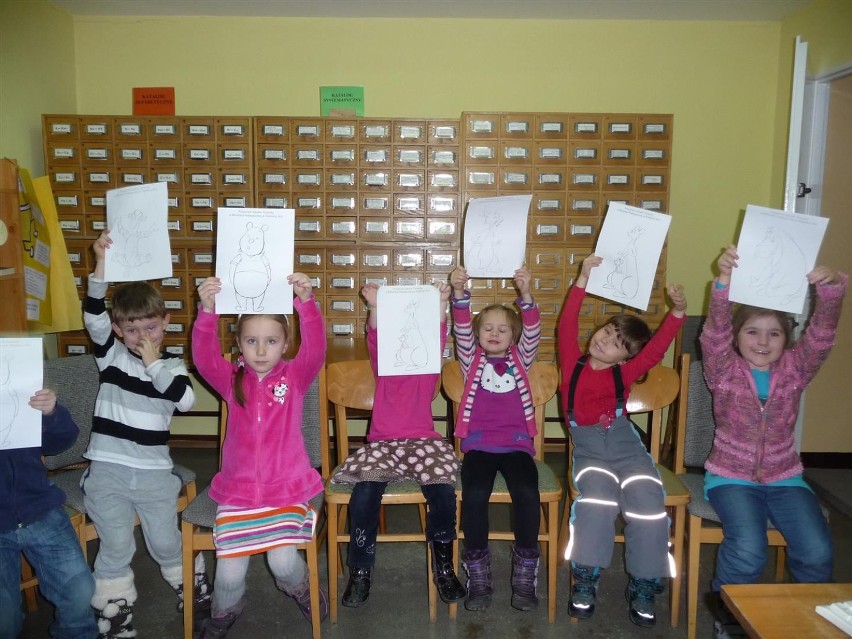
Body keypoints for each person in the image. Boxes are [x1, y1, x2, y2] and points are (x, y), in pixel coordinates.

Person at [701, 245, 847, 638]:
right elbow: (713, 333)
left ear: (787, 339)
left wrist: (830, 293)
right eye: (752, 331)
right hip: (730, 477)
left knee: (817, 550)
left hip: (786, 477)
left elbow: (821, 336)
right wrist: (723, 284)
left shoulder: (797, 369)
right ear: (736, 336)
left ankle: (808, 621)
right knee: (748, 549)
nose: (763, 342)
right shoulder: (723, 369)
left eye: (774, 333)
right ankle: (728, 622)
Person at [82, 231, 210, 638]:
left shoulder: (171, 367)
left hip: (154, 470)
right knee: (116, 544)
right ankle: (114, 614)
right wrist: (101, 264)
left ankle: (193, 587)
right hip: (108, 469)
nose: (142, 337)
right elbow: (91, 314)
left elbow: (185, 401)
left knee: (166, 541)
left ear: (166, 324)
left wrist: (155, 364)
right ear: (119, 330)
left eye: (151, 327)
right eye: (132, 329)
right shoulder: (111, 357)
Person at [192, 274, 328, 638]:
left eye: (271, 341)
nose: (262, 350)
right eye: (252, 341)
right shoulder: (230, 378)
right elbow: (203, 358)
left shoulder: (295, 377)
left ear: (285, 344)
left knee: (283, 561)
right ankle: (224, 614)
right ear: (238, 343)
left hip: (286, 489)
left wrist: (306, 304)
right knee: (229, 571)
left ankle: (302, 590)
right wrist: (207, 312)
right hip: (238, 492)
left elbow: (315, 349)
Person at [560, 254, 687, 628]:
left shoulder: (628, 371)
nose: (605, 340)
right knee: (597, 499)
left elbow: (657, 348)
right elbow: (568, 323)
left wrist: (677, 313)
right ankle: (586, 577)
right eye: (607, 331)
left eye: (617, 343)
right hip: (589, 447)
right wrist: (582, 278)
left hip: (625, 444)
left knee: (648, 499)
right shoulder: (573, 361)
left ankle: (645, 581)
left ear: (625, 359)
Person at [331, 282, 466, 608]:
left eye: (409, 336)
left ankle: (444, 567)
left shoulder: (428, 367)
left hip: (423, 442)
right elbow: (375, 337)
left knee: (443, 491)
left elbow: (437, 334)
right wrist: (375, 306)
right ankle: (360, 570)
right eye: (399, 337)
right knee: (364, 492)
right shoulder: (384, 366)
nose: (404, 339)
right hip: (383, 442)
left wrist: (441, 304)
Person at [449, 266, 543, 612]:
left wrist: (526, 293)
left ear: (513, 337)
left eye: (503, 329)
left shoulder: (521, 358)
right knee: (474, 495)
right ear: (478, 335)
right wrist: (460, 296)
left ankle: (525, 568)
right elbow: (461, 329)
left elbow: (533, 329)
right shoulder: (471, 360)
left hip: (517, 444)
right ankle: (478, 570)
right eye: (487, 328)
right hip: (478, 444)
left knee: (526, 493)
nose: (494, 333)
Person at [0, 388, 97, 639]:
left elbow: (61, 441)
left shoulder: (15, 389)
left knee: (80, 590)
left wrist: (51, 412)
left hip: (39, 505)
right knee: (4, 622)